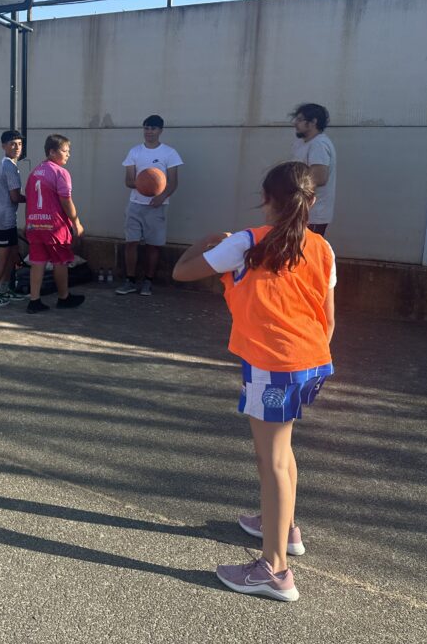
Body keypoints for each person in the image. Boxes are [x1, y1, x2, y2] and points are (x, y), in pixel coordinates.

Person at [172, 161, 336, 603]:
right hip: (312, 360)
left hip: (272, 363)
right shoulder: (322, 248)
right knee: (282, 451)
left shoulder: (245, 242)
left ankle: (274, 569)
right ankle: (281, 525)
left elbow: (181, 272)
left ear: (266, 199)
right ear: (310, 201)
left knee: (273, 459)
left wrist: (205, 243)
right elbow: (329, 315)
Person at [116, 114, 183, 296]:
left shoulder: (169, 153)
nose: (149, 132)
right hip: (135, 205)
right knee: (131, 243)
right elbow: (128, 180)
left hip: (157, 206)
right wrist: (144, 185)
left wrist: (161, 196)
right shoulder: (135, 152)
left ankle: (148, 281)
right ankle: (130, 280)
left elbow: (173, 182)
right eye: (146, 128)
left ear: (160, 130)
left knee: (153, 245)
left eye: (153, 128)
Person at [24, 134, 85, 313]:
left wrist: (28, 221)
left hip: (35, 224)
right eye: (65, 151)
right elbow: (66, 200)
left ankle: (34, 300)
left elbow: (30, 199)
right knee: (61, 261)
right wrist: (76, 222)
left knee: (37, 261)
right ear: (52, 152)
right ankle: (63, 297)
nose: (68, 155)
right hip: (54, 226)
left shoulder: (35, 172)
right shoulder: (60, 172)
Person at [0, 130, 28, 307]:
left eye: (19, 144)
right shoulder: (8, 166)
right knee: (3, 257)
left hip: (5, 217)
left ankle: (4, 290)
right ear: (3, 146)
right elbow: (15, 197)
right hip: (3, 219)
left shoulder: (7, 164)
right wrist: (33, 198)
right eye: (12, 144)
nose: (17, 147)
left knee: (12, 255)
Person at [290, 103, 336, 236]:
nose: (295, 123)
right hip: (300, 211)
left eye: (299, 120)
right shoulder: (301, 143)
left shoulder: (319, 144)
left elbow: (320, 177)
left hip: (314, 214)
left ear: (313, 122)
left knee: (308, 253)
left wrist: (289, 184)